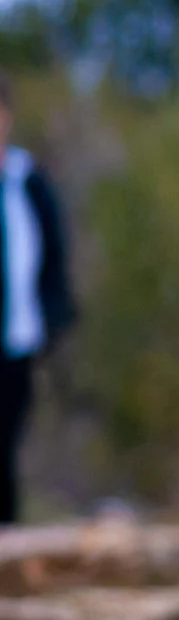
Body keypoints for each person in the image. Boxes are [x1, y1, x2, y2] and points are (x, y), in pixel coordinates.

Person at [0, 72, 77, 525]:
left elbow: (54, 258)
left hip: (17, 338)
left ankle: (7, 543)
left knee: (5, 444)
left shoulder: (30, 184)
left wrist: (54, 322)